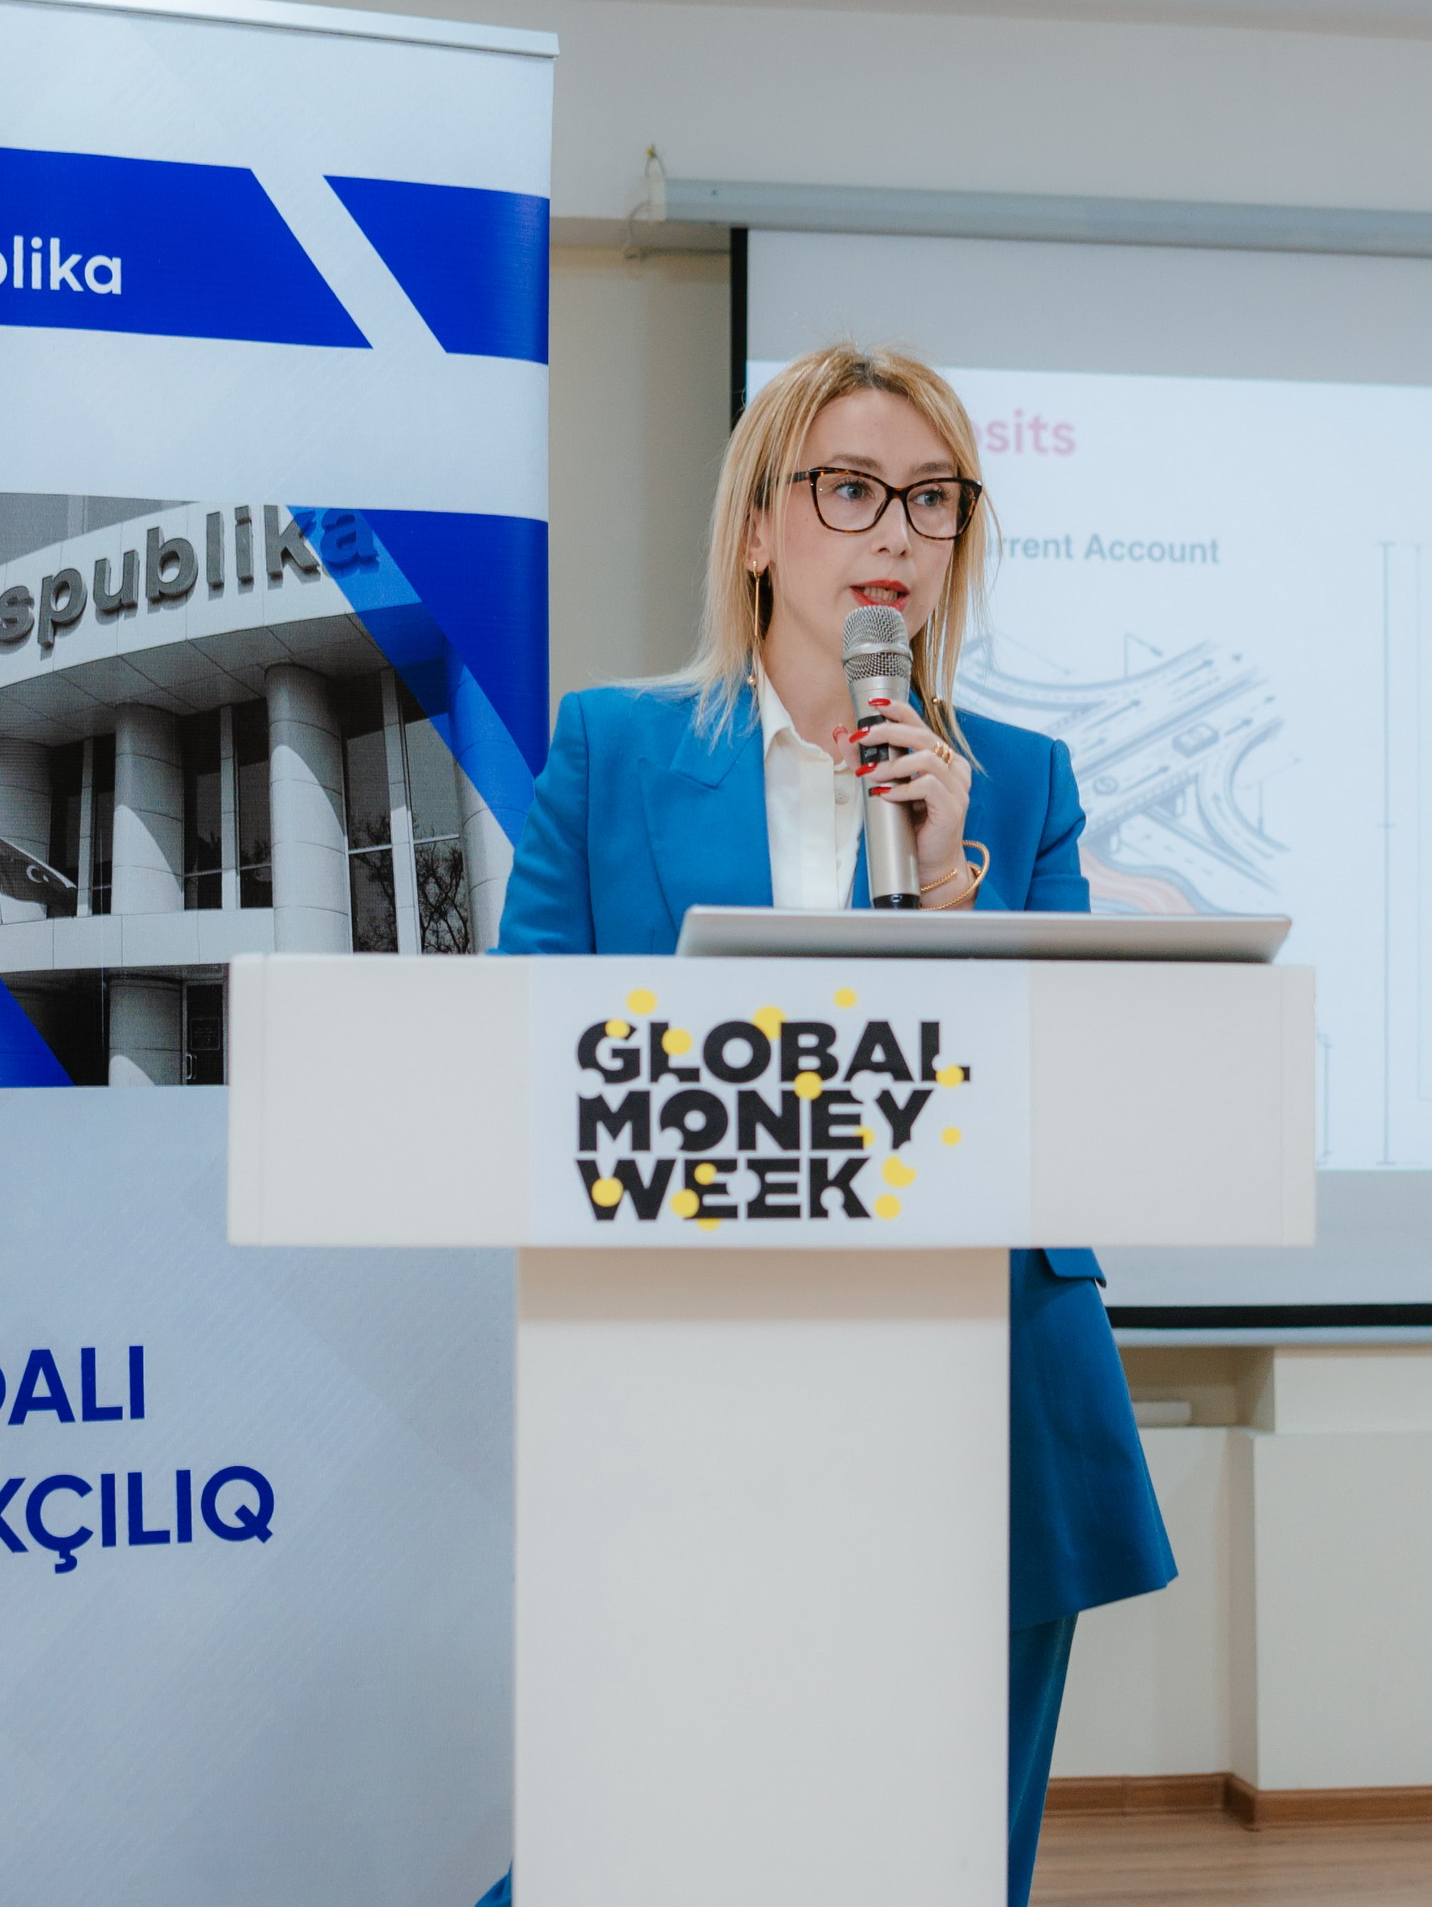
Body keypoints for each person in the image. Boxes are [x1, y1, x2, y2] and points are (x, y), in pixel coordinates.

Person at [495, 341, 1176, 1904]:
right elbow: (531, 1063)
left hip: (986, 1388)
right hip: (696, 1385)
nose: (897, 534)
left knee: (947, 1855)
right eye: (853, 490)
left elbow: (1058, 1110)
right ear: (757, 526)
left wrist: (947, 890)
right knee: (678, 1833)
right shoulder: (610, 751)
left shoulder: (1019, 782)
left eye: (934, 501)